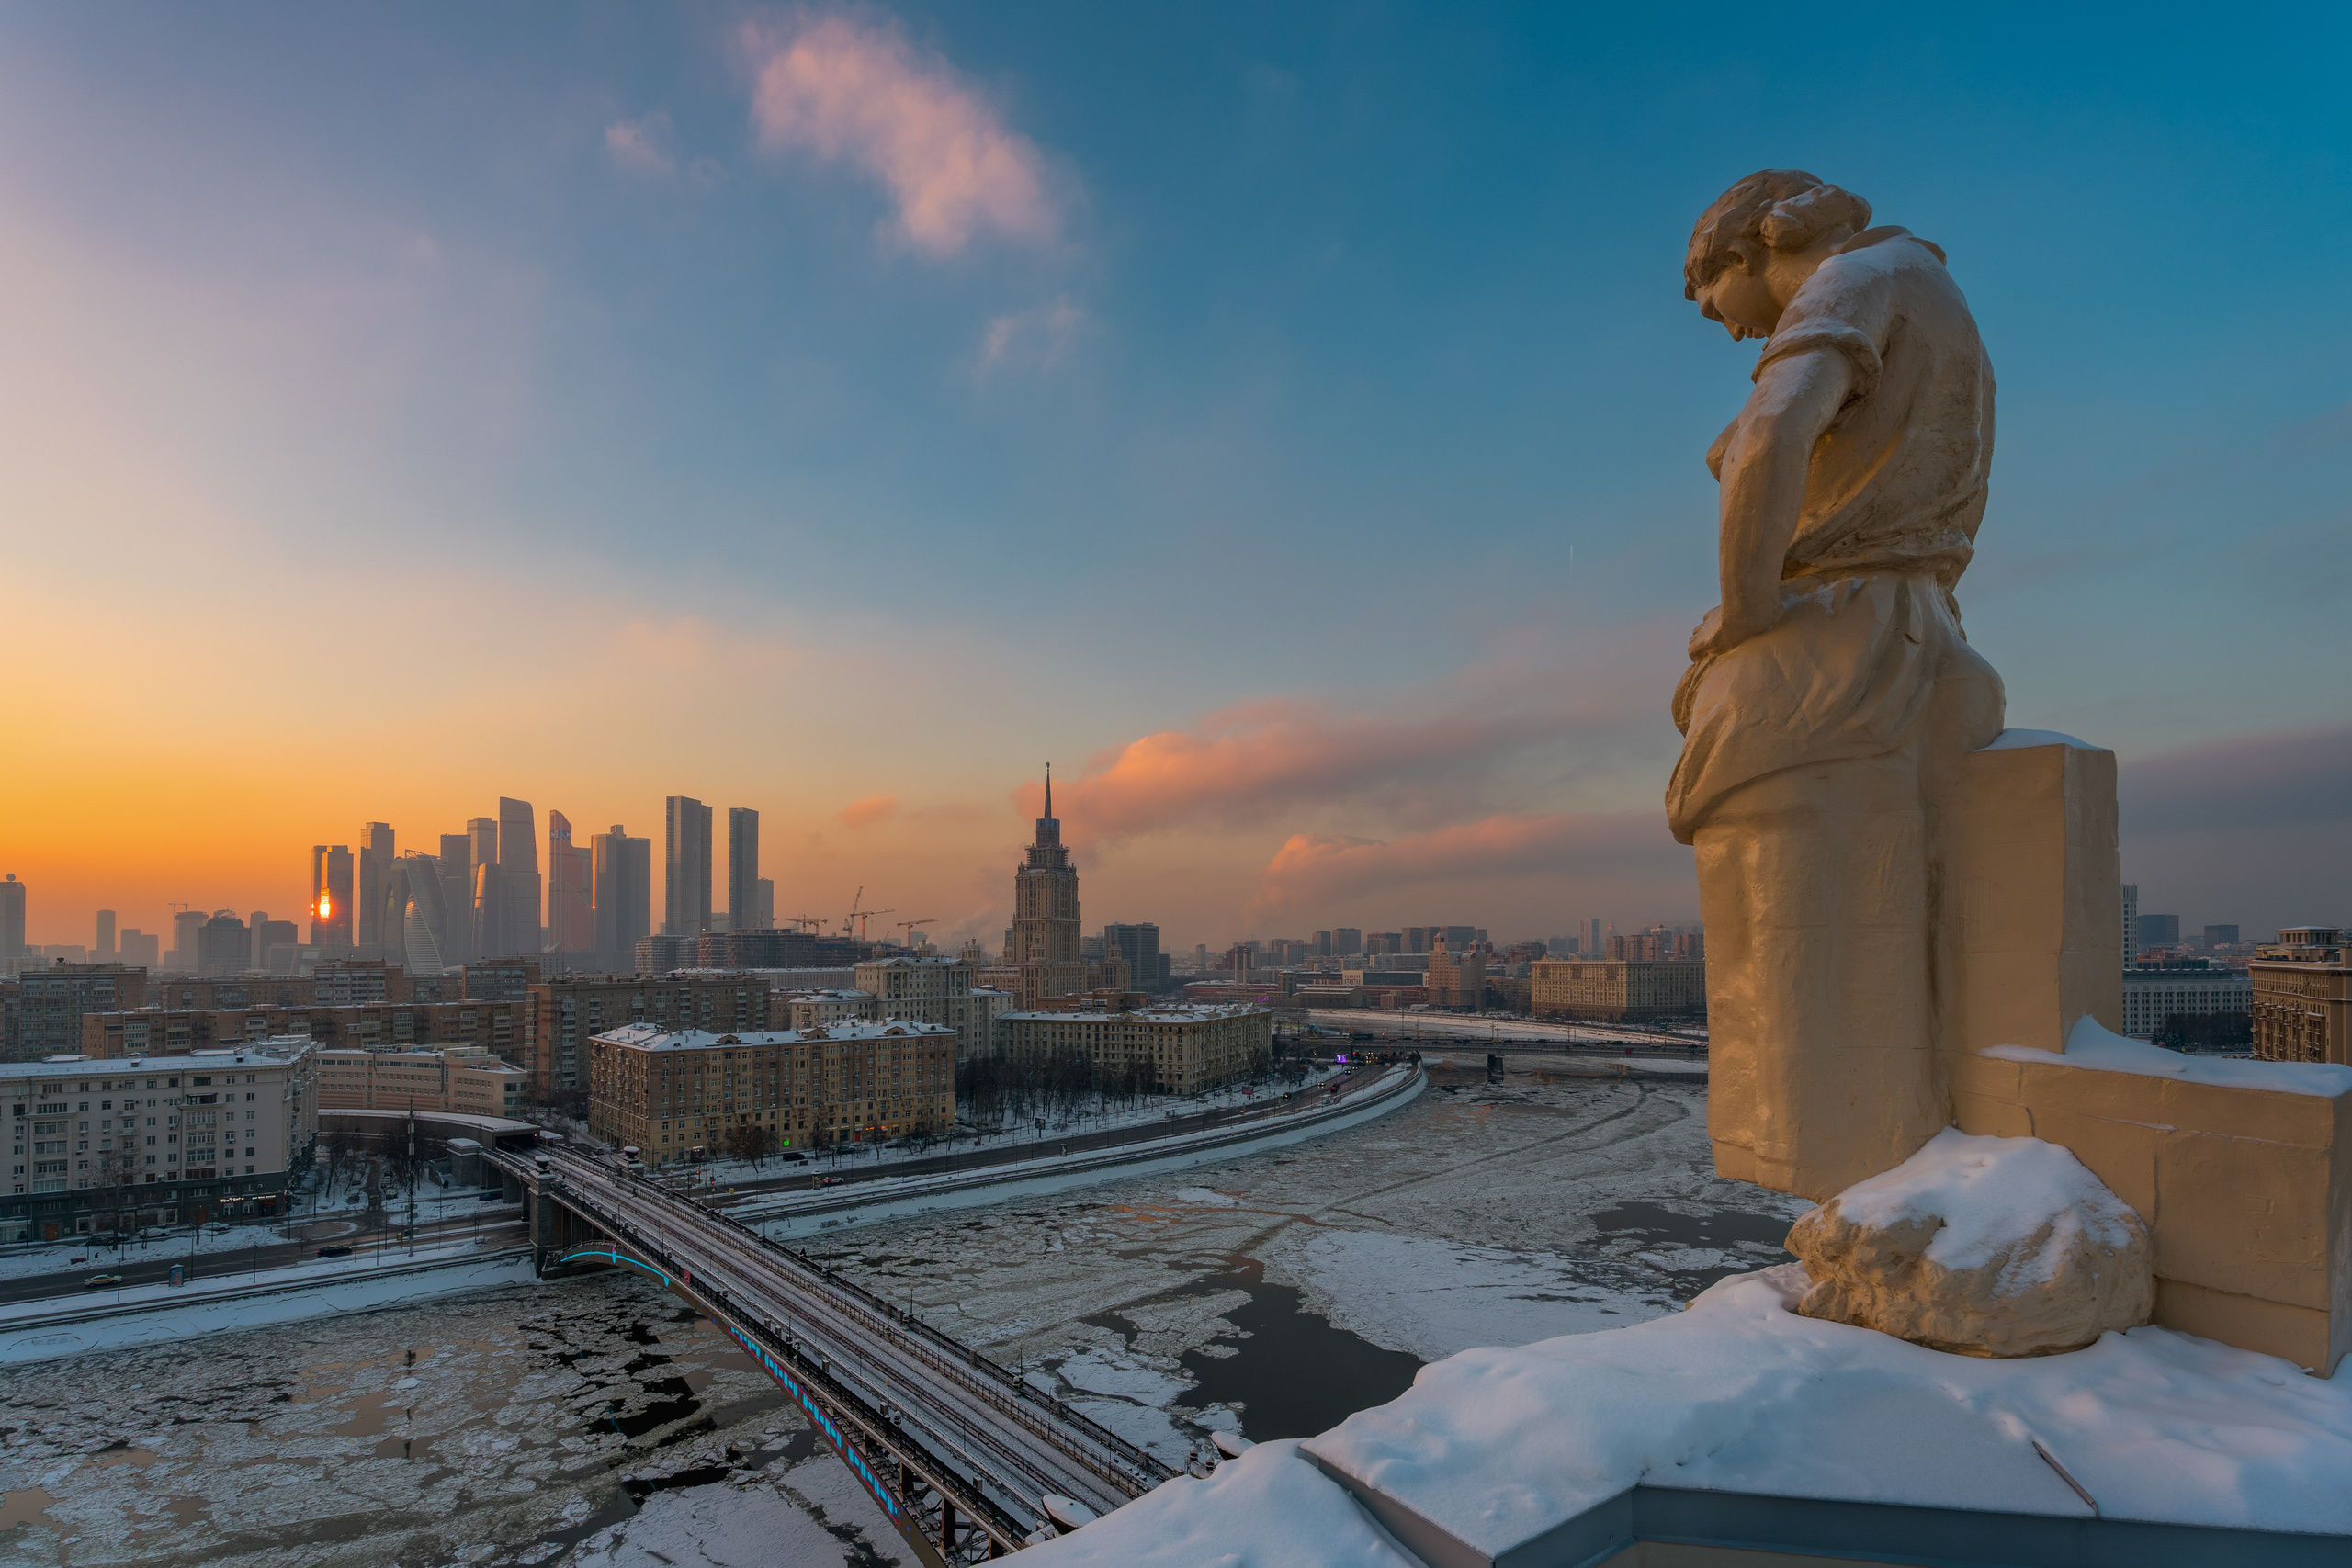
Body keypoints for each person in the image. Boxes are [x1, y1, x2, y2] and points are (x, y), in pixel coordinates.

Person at [1669, 170, 2005, 1199]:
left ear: (1745, 252)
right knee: (1872, 964)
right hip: (1914, 639)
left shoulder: (1851, 282)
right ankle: (1892, 1219)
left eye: (1709, 299)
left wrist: (1748, 605)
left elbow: (1773, 433)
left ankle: (1864, 1235)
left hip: (1824, 659)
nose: (1725, 332)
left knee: (1794, 980)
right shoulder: (1936, 294)